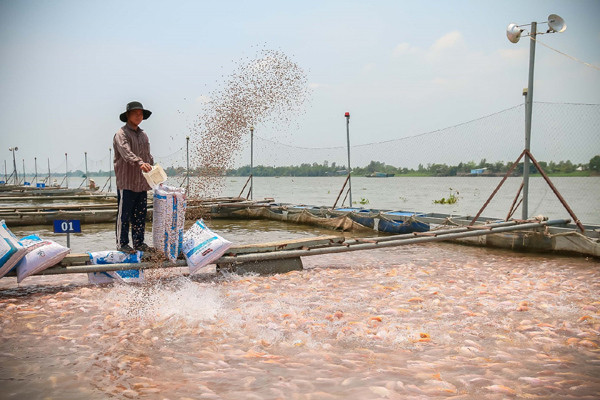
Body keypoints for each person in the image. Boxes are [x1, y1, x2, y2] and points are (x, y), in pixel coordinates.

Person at [113, 101, 155, 254]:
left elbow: (148, 155)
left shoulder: (143, 135)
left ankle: (139, 242)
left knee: (140, 214)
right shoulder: (121, 134)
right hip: (127, 183)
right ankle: (122, 244)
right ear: (128, 115)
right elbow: (126, 153)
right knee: (124, 216)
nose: (139, 116)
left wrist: (153, 168)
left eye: (141, 114)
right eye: (136, 113)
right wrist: (140, 162)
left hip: (141, 183)